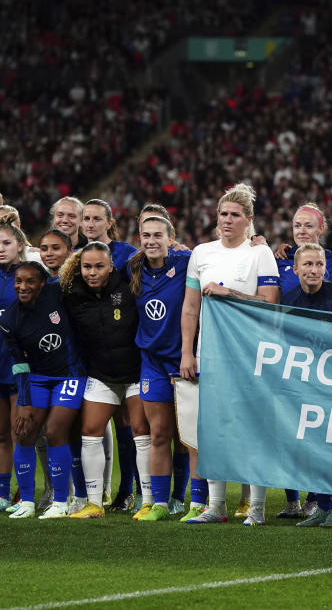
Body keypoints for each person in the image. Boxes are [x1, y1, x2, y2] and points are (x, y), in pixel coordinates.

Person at [180, 184, 280, 526]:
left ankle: (256, 509)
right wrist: (187, 353)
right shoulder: (201, 253)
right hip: (211, 354)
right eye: (223, 213)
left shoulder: (259, 254)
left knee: (253, 430)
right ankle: (216, 506)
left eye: (235, 215)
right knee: (214, 430)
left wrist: (229, 293)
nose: (227, 219)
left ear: (248, 220)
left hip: (251, 355)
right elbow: (191, 308)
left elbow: (270, 303)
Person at [58, 243, 150, 520]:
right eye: (87, 266)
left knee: (141, 434)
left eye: (99, 266)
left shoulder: (128, 286)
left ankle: (148, 501)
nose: (92, 272)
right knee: (90, 432)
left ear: (111, 266)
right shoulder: (71, 294)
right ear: (79, 267)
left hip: (135, 372)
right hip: (101, 374)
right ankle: (95, 504)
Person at [278, 244, 332, 528]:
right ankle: (322, 507)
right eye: (308, 265)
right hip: (304, 385)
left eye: (319, 264)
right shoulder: (289, 299)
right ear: (296, 268)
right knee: (311, 447)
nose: (314, 270)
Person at [0, 261, 87, 519]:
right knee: (23, 431)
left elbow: (75, 270)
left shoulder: (55, 292)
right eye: (18, 281)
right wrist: (24, 401)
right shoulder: (9, 319)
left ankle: (60, 501)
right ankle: (26, 501)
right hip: (36, 377)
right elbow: (19, 362)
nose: (22, 286)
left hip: (70, 374)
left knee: (54, 430)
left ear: (41, 283)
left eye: (29, 281)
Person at [124, 215, 192, 521]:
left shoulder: (187, 262)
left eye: (157, 235)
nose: (151, 240)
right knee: (159, 433)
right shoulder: (132, 267)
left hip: (183, 361)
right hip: (151, 362)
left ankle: (183, 498)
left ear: (170, 239)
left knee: (186, 435)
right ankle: (160, 503)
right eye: (145, 235)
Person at [0, 219, 27, 510]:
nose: (0, 249)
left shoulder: (30, 276)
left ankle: (26, 493)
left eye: (6, 243)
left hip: (19, 367)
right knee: (0, 434)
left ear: (20, 245)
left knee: (19, 432)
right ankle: (2, 492)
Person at [275, 203, 332, 295]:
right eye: (297, 226)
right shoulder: (281, 258)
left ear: (321, 228)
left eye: (308, 226)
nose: (302, 232)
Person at [81, 200, 137, 269]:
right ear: (81, 223)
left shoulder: (127, 252)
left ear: (109, 224)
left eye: (97, 219)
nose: (90, 224)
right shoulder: (75, 256)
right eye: (86, 219)